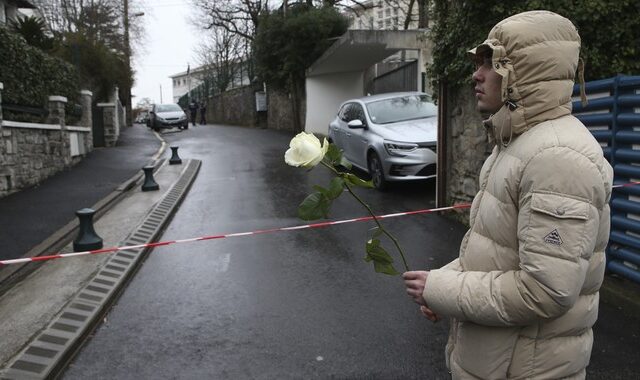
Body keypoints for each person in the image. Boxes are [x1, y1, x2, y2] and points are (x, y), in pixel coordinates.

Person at [403, 11, 613, 379]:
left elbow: (544, 291)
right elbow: (496, 255)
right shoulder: (517, 145)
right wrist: (441, 288)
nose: (476, 74)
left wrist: (442, 288)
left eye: (492, 63)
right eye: (479, 63)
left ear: (526, 74)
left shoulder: (557, 160)